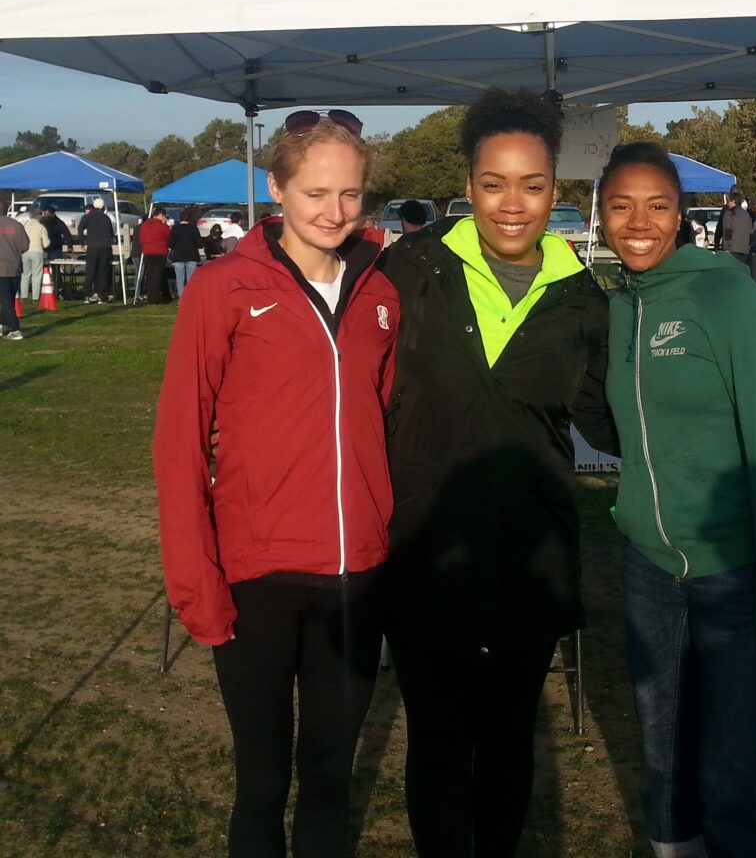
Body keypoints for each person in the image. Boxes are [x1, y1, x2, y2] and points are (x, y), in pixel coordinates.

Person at [154, 108, 398, 858]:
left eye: (351, 194)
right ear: (277, 188)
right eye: (317, 192)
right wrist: (197, 579)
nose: (334, 212)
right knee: (262, 780)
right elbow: (179, 441)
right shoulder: (224, 288)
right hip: (257, 571)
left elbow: (382, 421)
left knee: (329, 775)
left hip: (356, 573)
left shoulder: (383, 292)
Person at [379, 88, 615, 858]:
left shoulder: (583, 300)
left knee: (509, 744)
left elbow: (611, 422)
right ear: (468, 184)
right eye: (493, 183)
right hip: (424, 554)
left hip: (529, 563)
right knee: (439, 746)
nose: (513, 205)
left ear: (557, 190)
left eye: (534, 185)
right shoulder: (409, 269)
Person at [598, 142, 756, 858]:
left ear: (682, 213)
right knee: (660, 752)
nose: (639, 222)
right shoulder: (619, 303)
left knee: (728, 764)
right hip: (647, 565)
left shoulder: (726, 295)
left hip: (731, 568)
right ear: (600, 214)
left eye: (657, 206)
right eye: (621, 205)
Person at [0, 203, 30, 340]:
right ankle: (3, 323)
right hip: (15, 266)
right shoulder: (16, 225)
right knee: (9, 299)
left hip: (1, 268)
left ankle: (14, 328)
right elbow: (25, 245)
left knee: (5, 300)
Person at [79, 197, 115, 303]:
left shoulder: (87, 217)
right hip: (105, 247)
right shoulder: (106, 218)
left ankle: (86, 295)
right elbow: (111, 233)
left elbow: (80, 228)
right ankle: (101, 295)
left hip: (92, 247)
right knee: (102, 272)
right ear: (103, 207)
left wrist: (82, 242)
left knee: (90, 271)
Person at [139, 207, 173, 305]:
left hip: (147, 251)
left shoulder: (145, 225)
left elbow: (141, 239)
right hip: (159, 252)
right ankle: (155, 298)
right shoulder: (161, 226)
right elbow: (169, 236)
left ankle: (151, 297)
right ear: (161, 215)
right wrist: (166, 224)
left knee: (150, 275)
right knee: (157, 276)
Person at [716, 186, 754, 269]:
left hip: (732, 248)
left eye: (729, 201)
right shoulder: (746, 214)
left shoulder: (729, 213)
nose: (727, 203)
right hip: (744, 249)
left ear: (733, 201)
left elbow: (727, 231)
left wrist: (726, 248)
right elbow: (750, 231)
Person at [167, 209, 202, 297]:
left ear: (180, 218)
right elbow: (200, 244)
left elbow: (170, 244)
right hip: (191, 255)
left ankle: (181, 298)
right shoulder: (194, 229)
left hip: (178, 256)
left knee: (180, 279)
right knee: (191, 279)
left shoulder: (175, 229)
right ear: (189, 219)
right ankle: (190, 297)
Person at [20, 211, 50, 301]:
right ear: (39, 217)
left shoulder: (24, 225)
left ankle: (24, 296)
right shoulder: (41, 227)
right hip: (37, 251)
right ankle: (35, 297)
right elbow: (46, 244)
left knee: (25, 275)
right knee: (36, 275)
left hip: (24, 252)